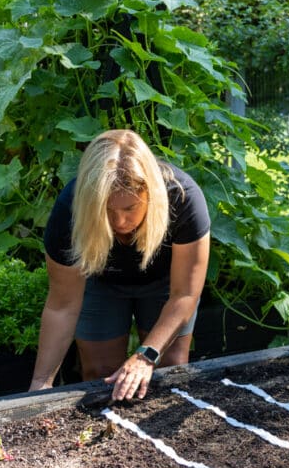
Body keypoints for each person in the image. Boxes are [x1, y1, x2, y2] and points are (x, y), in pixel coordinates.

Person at [29, 129, 210, 401]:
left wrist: (145, 355)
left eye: (129, 209)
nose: (120, 222)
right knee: (99, 374)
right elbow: (62, 306)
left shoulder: (184, 199)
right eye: (108, 210)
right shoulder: (70, 209)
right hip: (101, 280)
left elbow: (185, 294)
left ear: (149, 195)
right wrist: (40, 384)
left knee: (169, 368)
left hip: (168, 285)